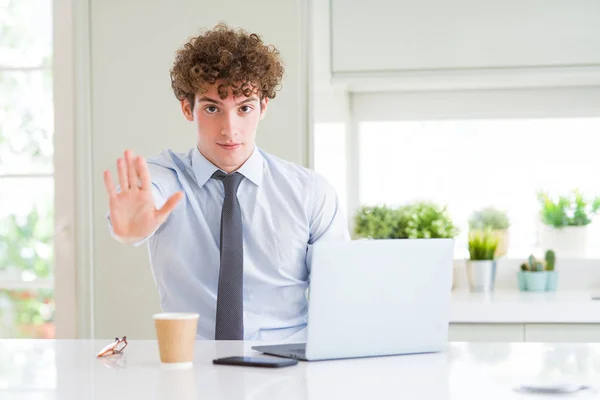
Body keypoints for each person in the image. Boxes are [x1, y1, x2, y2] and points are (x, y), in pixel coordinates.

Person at [103, 23, 350, 341]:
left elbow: (340, 295)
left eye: (244, 108)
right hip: (193, 366)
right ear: (187, 108)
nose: (229, 128)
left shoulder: (310, 193)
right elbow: (144, 196)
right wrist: (129, 229)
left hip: (290, 367)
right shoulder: (166, 177)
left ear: (263, 108)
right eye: (212, 108)